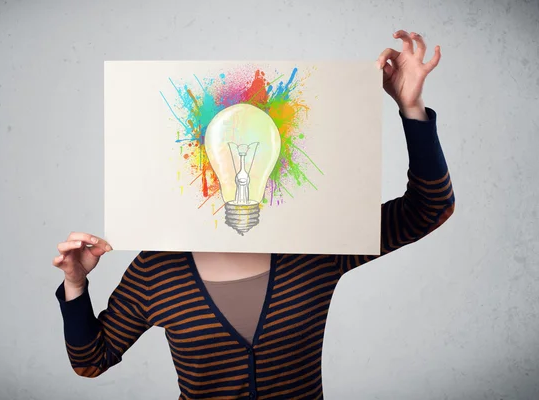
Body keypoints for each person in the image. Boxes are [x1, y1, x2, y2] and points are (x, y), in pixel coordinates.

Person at [52, 30, 456, 400]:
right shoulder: (158, 268)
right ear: (204, 162)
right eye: (229, 148)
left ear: (275, 157)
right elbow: (91, 359)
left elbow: (430, 207)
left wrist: (411, 108)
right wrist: (75, 282)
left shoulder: (317, 244)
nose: (240, 158)